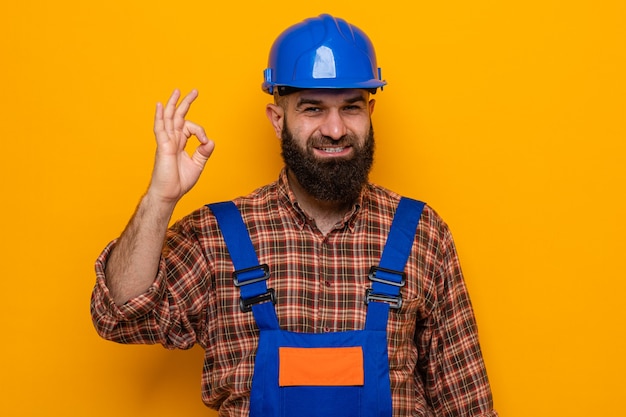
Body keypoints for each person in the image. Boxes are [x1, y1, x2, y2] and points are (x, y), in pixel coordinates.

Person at [91, 14, 498, 417]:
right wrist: (161, 199)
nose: (335, 129)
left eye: (351, 107)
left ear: (370, 113)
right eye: (313, 108)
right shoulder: (217, 236)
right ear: (278, 118)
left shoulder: (421, 234)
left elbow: (468, 405)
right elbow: (119, 316)